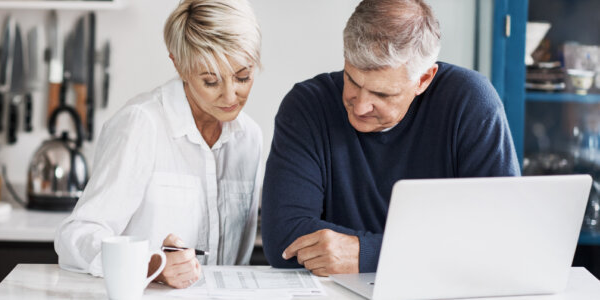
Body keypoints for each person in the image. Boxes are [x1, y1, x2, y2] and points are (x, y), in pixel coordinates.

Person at [261, 0, 520, 276]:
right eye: (352, 81)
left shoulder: (470, 103)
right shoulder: (307, 106)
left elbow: (500, 237)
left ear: (424, 80)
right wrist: (434, 252)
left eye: (382, 94)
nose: (360, 106)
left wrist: (368, 253)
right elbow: (284, 237)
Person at [54, 0, 262, 289]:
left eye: (243, 77)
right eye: (211, 81)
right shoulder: (141, 124)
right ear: (178, 64)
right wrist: (150, 265)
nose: (230, 96)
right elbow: (76, 236)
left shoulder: (249, 138)